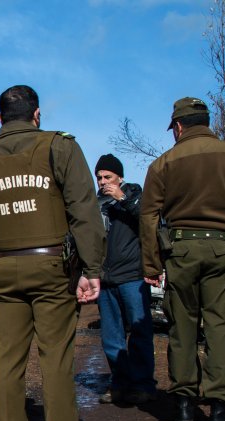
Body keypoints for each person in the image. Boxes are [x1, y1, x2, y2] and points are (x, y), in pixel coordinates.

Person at [0, 85, 106, 421]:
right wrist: (91, 268)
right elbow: (84, 211)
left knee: (8, 359)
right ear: (36, 115)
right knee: (55, 356)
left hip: (2, 270)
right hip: (52, 267)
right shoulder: (60, 148)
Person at [140, 97, 225, 421]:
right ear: (207, 122)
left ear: (178, 127)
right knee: (219, 326)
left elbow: (149, 216)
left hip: (180, 251)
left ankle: (183, 405)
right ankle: (219, 412)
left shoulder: (164, 163)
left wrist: (151, 264)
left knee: (181, 327)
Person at [93, 154, 157, 405]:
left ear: (120, 177)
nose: (102, 181)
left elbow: (150, 222)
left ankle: (143, 385)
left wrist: (124, 199)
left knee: (140, 332)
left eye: (107, 176)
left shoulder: (135, 196)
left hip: (132, 277)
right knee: (111, 337)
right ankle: (120, 383)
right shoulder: (95, 204)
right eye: (99, 177)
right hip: (106, 280)